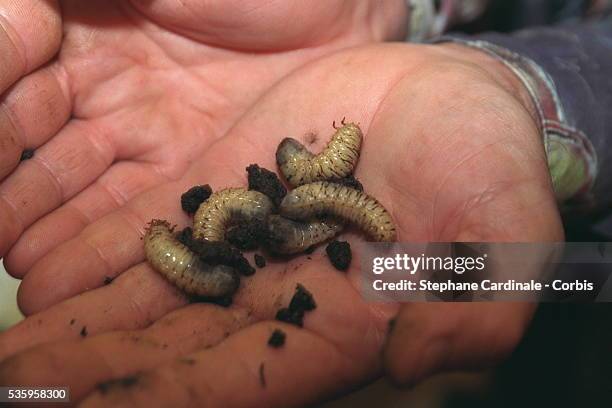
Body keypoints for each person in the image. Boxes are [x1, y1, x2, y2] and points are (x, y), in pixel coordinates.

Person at [0, 1, 609, 406]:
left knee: (563, 308)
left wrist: (522, 87)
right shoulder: (283, 205)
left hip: (584, 317)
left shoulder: (302, 200)